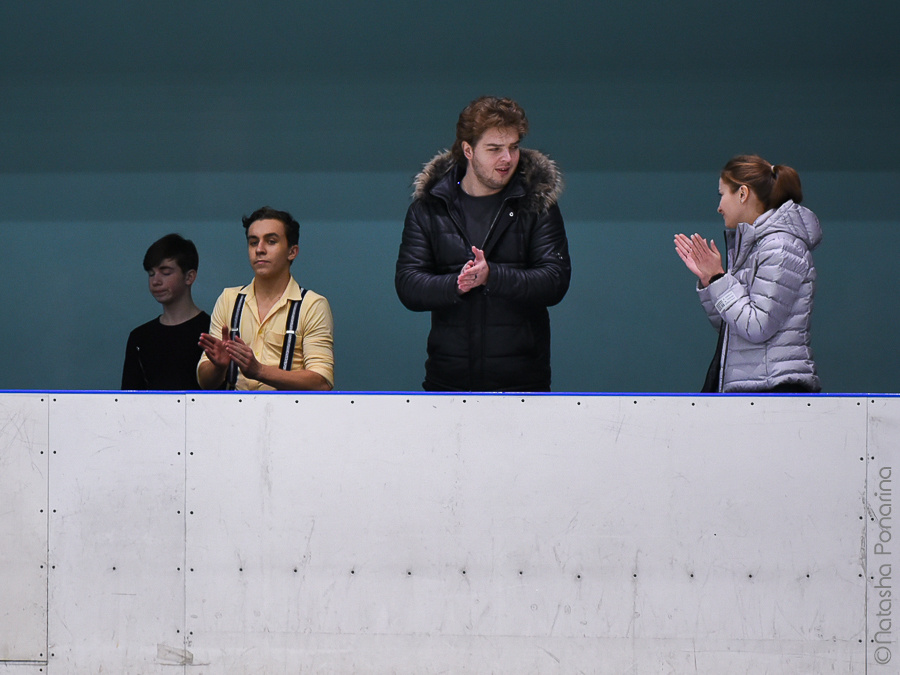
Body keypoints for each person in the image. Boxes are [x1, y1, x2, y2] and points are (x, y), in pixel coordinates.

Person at [395, 96, 571, 392]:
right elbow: (409, 285)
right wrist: (457, 284)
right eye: (494, 149)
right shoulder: (429, 208)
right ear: (468, 150)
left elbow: (555, 280)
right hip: (447, 383)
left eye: (513, 147)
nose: (508, 158)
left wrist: (492, 276)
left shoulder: (537, 204)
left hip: (524, 385)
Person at [674, 154, 822, 393]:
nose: (719, 207)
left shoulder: (780, 247)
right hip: (754, 388)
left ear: (742, 194)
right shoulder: (753, 247)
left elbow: (757, 326)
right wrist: (709, 280)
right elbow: (733, 325)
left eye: (722, 194)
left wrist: (719, 279)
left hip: (773, 391)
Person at [197, 206, 334, 391]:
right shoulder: (229, 299)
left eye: (271, 241)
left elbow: (321, 382)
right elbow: (205, 382)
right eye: (253, 242)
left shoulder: (312, 305)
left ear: (292, 252)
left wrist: (259, 370)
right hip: (234, 416)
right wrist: (219, 366)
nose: (259, 249)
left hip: (289, 416)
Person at [121, 234, 210, 390]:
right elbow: (128, 401)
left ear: (189, 277)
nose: (156, 281)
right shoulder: (140, 338)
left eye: (166, 272)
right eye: (151, 274)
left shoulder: (211, 331)